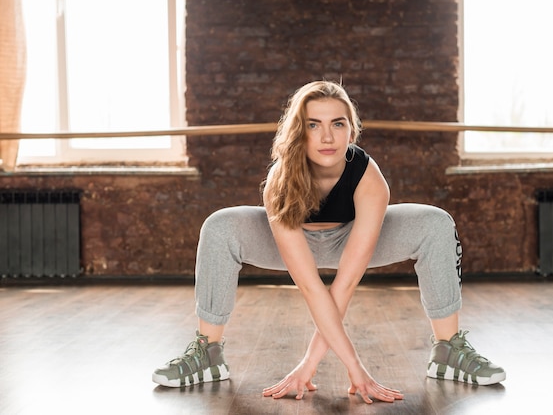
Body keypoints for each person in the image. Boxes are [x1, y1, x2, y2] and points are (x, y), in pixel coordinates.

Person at [152, 80, 505, 403]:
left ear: (351, 131)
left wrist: (309, 364)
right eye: (313, 125)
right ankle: (207, 352)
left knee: (435, 222)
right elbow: (309, 285)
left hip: (348, 238)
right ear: (298, 131)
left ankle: (448, 350)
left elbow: (345, 283)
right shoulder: (280, 177)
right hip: (290, 242)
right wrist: (354, 366)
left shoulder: (368, 177)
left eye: (337, 123)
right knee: (219, 226)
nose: (327, 137)